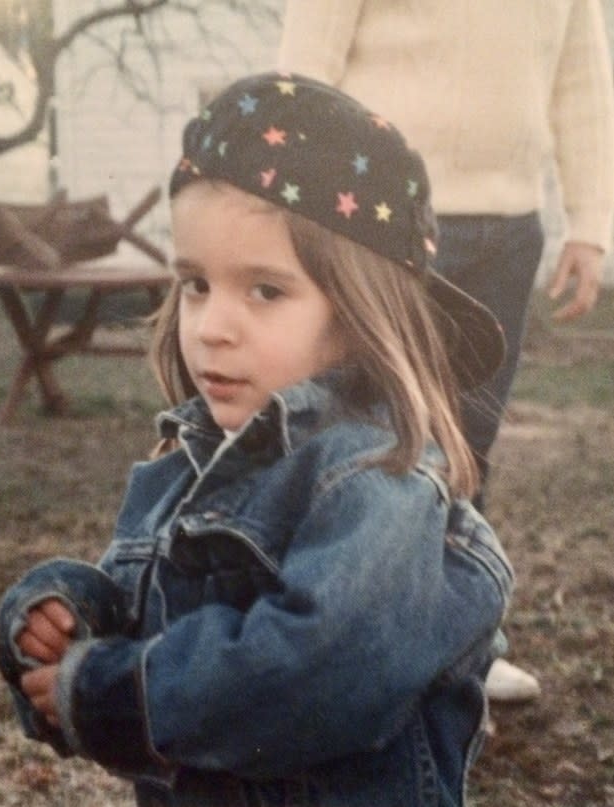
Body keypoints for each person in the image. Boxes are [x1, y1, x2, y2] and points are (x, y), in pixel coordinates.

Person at [0, 72, 513, 807]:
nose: (209, 324)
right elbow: (147, 609)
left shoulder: (375, 477)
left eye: (264, 290)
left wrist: (111, 695)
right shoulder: (190, 458)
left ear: (359, 313)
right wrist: (69, 613)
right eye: (195, 284)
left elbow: (317, 673)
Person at [278, 0, 614, 702]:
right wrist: (299, 205)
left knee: (467, 443)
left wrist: (589, 221)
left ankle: (464, 648)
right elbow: (307, 66)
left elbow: (582, 80)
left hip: (511, 226)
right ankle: (337, 638)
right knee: (370, 435)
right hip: (377, 220)